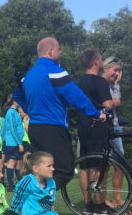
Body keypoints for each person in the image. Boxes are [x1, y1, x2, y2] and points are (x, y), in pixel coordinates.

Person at [13, 37, 106, 190]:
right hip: (53, 129)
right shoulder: (56, 72)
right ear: (51, 51)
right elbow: (76, 96)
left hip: (35, 129)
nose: (60, 52)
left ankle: (34, 201)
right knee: (64, 170)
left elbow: (17, 95)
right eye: (58, 49)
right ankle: (38, 200)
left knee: (42, 172)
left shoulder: (27, 76)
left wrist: (30, 110)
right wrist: (96, 114)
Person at [11, 151, 124, 215]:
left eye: (53, 165)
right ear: (36, 168)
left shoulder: (51, 182)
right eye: (49, 166)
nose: (53, 169)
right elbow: (15, 206)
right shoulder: (27, 182)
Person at [77, 49, 116, 215]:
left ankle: (88, 204)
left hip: (83, 126)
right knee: (100, 166)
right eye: (100, 59)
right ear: (96, 62)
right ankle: (99, 204)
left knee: (85, 166)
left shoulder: (79, 82)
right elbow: (108, 104)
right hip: (99, 127)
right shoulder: (100, 82)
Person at [102, 57, 125, 207]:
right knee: (104, 165)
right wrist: (114, 100)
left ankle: (117, 197)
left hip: (115, 126)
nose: (117, 73)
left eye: (119, 71)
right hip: (104, 127)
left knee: (120, 164)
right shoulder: (100, 84)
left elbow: (116, 101)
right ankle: (104, 199)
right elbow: (111, 103)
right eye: (115, 70)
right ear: (106, 68)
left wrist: (116, 85)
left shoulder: (113, 85)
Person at [0, 96, 25, 191]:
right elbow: (13, 128)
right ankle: (11, 186)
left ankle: (20, 183)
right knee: (12, 162)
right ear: (14, 101)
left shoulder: (13, 112)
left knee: (17, 163)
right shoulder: (11, 112)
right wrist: (19, 143)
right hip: (13, 143)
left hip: (15, 142)